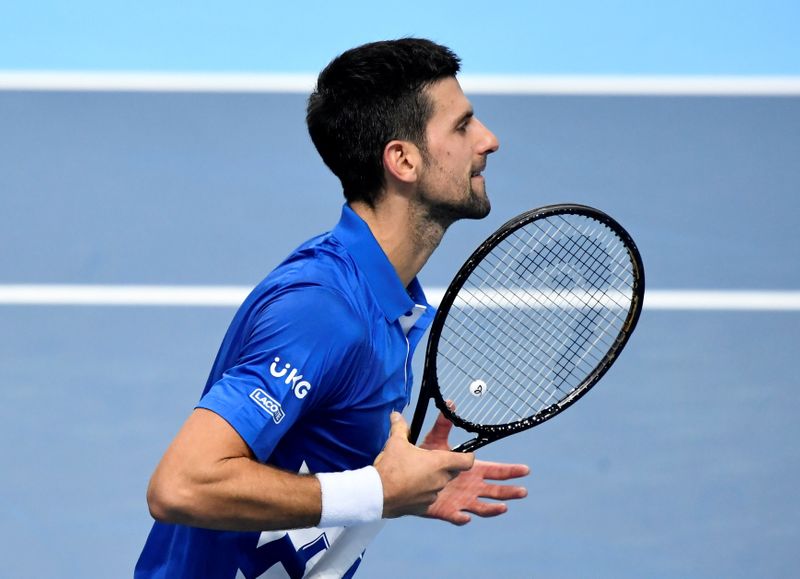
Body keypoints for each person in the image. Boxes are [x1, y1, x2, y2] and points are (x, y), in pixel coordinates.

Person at [135, 38, 529, 578]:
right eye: (462, 126)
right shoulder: (322, 313)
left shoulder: (393, 307)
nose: (489, 140)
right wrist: (378, 490)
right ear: (403, 160)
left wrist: (403, 487)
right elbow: (182, 484)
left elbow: (332, 479)